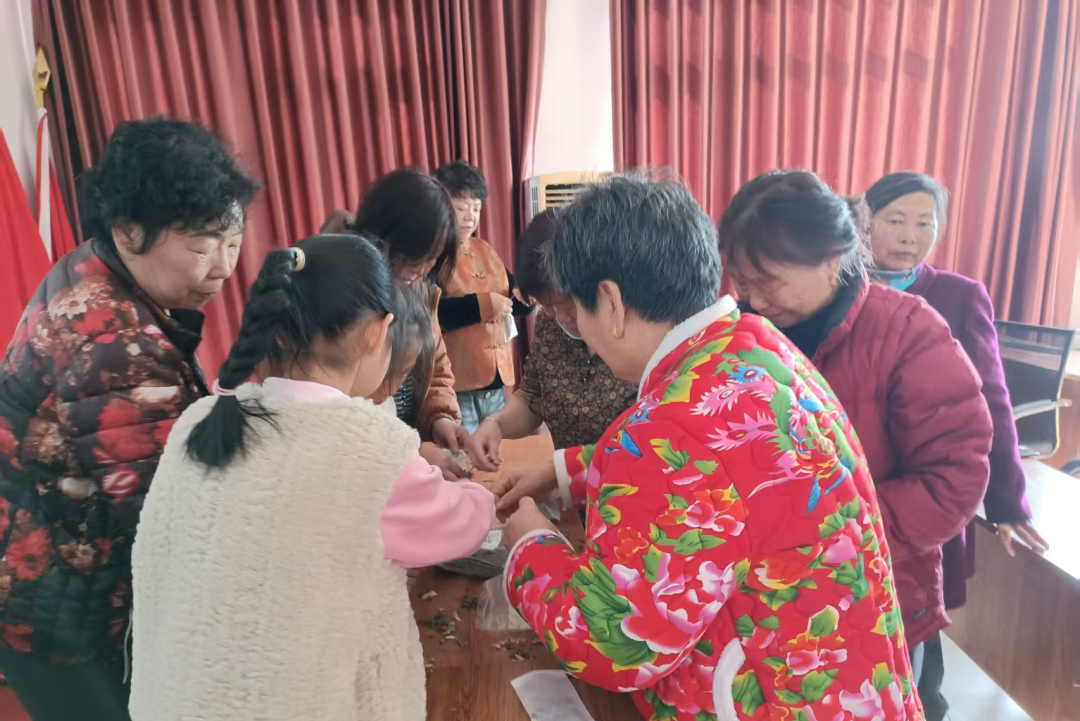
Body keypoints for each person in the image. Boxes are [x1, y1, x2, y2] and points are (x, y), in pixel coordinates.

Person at [494, 174, 924, 721]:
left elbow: (613, 644)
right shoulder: (757, 347)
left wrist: (530, 545)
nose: (585, 336)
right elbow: (731, 473)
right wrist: (565, 471)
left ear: (611, 303)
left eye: (578, 313)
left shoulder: (666, 427)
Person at [129, 235, 496, 721]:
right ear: (378, 333)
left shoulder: (199, 422)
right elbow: (463, 525)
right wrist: (477, 490)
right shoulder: (368, 449)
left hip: (179, 699)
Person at [0, 117, 257, 721]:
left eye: (233, 241)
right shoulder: (117, 345)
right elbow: (168, 518)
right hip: (61, 614)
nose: (223, 267)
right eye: (203, 245)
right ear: (128, 230)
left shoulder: (89, 268)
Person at [717, 169, 993, 690]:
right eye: (741, 282)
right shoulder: (747, 333)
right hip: (771, 604)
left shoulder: (908, 332)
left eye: (768, 282)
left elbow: (954, 480)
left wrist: (821, 534)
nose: (753, 300)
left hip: (876, 597)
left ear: (831, 259)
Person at [866, 170, 1048, 721]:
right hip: (860, 487)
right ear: (864, 222)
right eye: (896, 220)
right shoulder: (837, 287)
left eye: (925, 223)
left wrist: (1008, 502)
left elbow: (991, 400)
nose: (910, 236)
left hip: (928, 489)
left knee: (918, 631)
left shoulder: (959, 296)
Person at [322, 169, 471, 478]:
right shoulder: (340, 294)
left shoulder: (422, 291)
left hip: (405, 452)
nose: (425, 269)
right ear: (387, 235)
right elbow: (336, 408)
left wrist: (440, 418)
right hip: (363, 464)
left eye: (435, 258)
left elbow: (436, 368)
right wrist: (412, 451)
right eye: (419, 255)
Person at [465, 209, 637, 472]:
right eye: (546, 305)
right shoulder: (550, 324)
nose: (560, 318)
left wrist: (558, 476)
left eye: (566, 304)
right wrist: (495, 424)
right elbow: (533, 396)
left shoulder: (637, 339)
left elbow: (644, 446)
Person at [433, 160, 532, 432]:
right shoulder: (433, 254)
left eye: (476, 209)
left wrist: (527, 297)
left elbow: (512, 296)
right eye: (462, 208)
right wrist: (483, 305)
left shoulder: (484, 249)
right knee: (464, 450)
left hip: (495, 379)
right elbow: (432, 314)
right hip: (456, 381)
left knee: (494, 448)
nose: (470, 217)